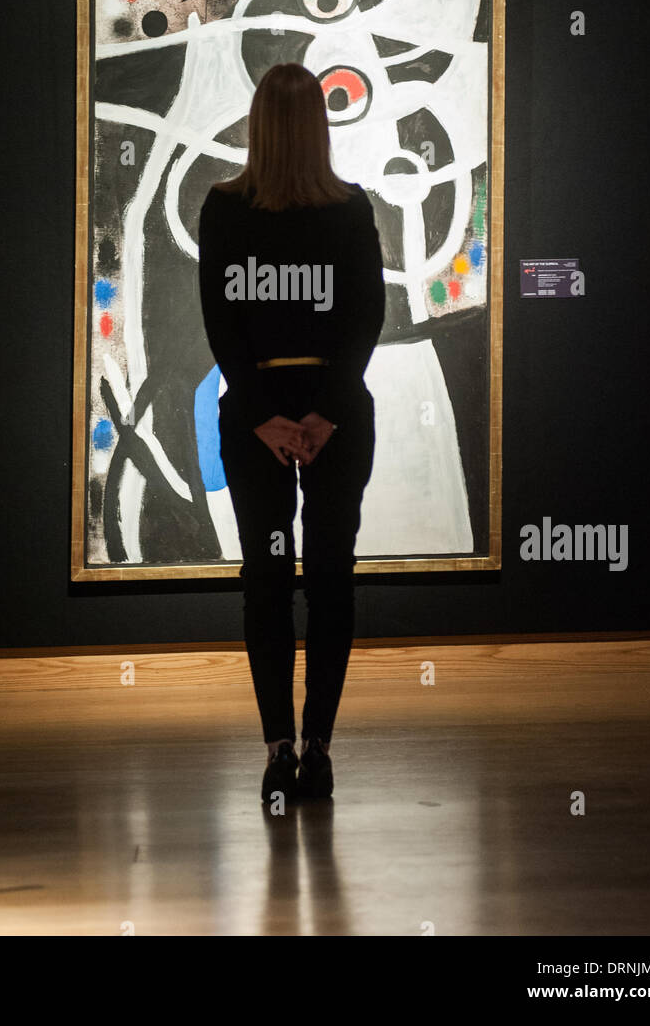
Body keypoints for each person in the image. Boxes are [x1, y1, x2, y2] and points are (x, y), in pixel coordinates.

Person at [197, 62, 385, 802]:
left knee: (268, 582)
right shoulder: (348, 208)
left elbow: (222, 323)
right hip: (324, 414)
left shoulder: (223, 206)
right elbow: (364, 319)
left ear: (257, 124)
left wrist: (262, 416)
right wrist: (324, 414)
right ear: (318, 124)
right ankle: (314, 747)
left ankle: (281, 747)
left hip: (263, 413)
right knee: (328, 578)